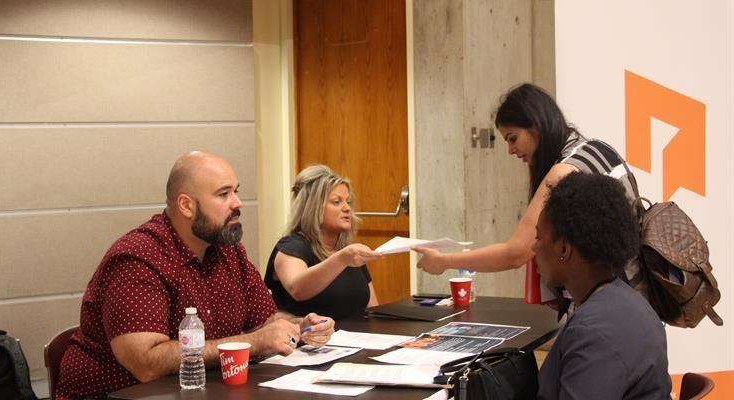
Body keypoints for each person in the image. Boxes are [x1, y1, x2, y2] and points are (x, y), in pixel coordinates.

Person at [55, 152, 335, 399]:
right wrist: (254, 342)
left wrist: (299, 327)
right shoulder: (138, 258)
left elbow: (264, 321)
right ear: (186, 206)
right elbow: (147, 364)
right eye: (223, 194)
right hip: (114, 394)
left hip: (203, 390)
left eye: (236, 191)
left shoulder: (229, 251)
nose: (238, 203)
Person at [414, 83, 638, 282]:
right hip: (630, 293)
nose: (510, 150)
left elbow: (516, 253)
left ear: (536, 126)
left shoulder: (563, 171)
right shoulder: (597, 148)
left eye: (513, 138)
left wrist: (444, 261)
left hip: (608, 296)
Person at [534, 172, 671, 399]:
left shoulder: (594, 333)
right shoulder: (627, 301)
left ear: (564, 250)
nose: (533, 248)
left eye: (539, 238)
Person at [264, 165, 382, 320]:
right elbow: (298, 289)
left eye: (348, 201)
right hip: (311, 340)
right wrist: (341, 259)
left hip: (357, 340)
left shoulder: (347, 251)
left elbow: (372, 307)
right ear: (314, 206)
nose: (347, 208)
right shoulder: (292, 247)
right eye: (336, 202)